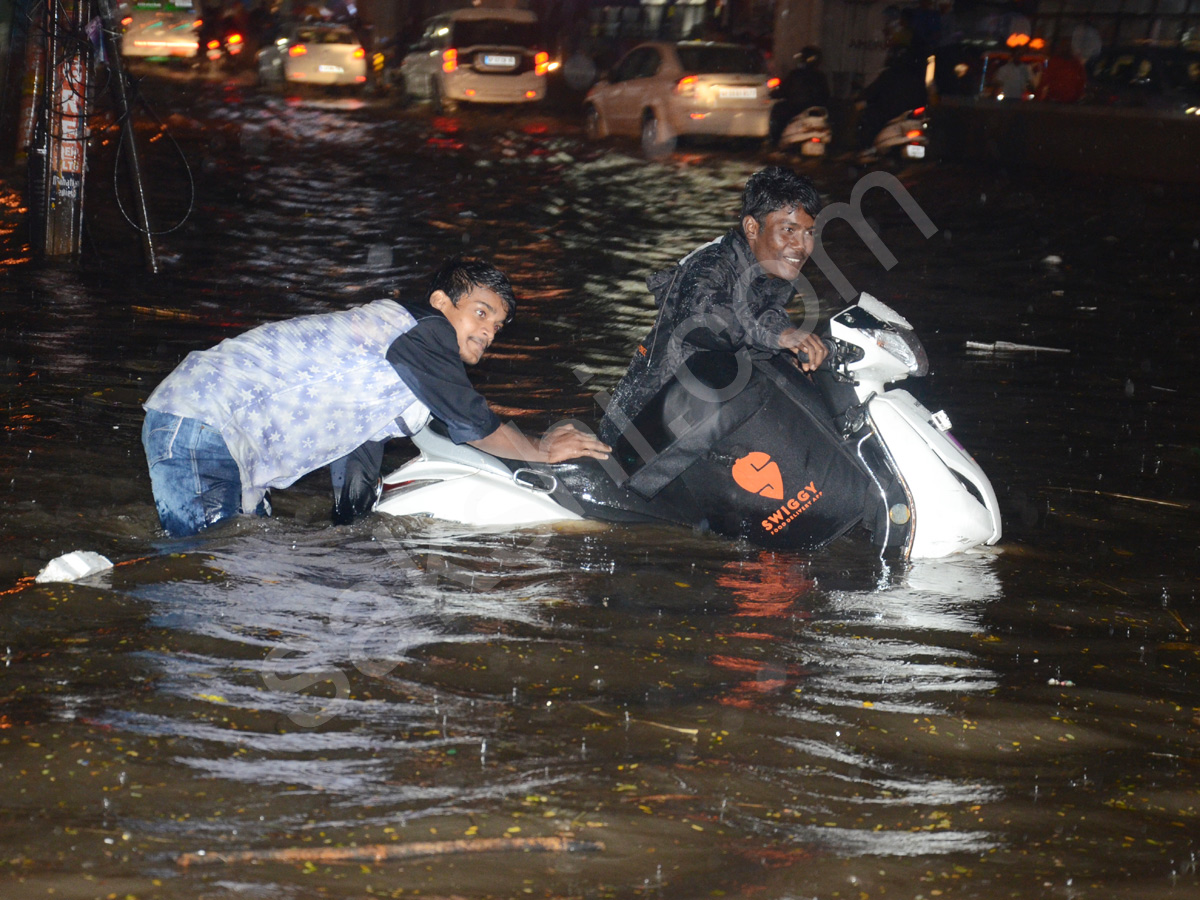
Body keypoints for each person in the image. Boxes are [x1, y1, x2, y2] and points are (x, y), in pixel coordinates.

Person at [141, 257, 610, 537]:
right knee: (205, 571)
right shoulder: (419, 332)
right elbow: (474, 421)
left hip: (216, 436)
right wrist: (540, 451)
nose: (487, 331)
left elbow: (358, 456)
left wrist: (352, 530)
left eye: (496, 326)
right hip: (203, 421)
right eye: (480, 313)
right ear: (441, 302)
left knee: (243, 556)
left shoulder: (396, 369)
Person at [597, 166, 829, 448]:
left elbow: (762, 320)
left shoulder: (771, 275)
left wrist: (791, 353)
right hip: (640, 435)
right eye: (789, 230)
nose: (801, 245)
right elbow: (702, 316)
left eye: (809, 232)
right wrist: (777, 337)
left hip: (695, 422)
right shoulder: (712, 265)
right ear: (752, 228)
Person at [855, 45, 928, 151]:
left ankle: (867, 150)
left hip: (889, 117)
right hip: (905, 119)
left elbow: (872, 92)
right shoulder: (917, 78)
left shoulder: (889, 75)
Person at [769, 46, 832, 146]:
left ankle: (774, 142)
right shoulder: (820, 76)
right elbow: (826, 94)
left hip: (796, 107)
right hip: (816, 107)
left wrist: (774, 94)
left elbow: (783, 90)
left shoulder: (796, 74)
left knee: (777, 114)